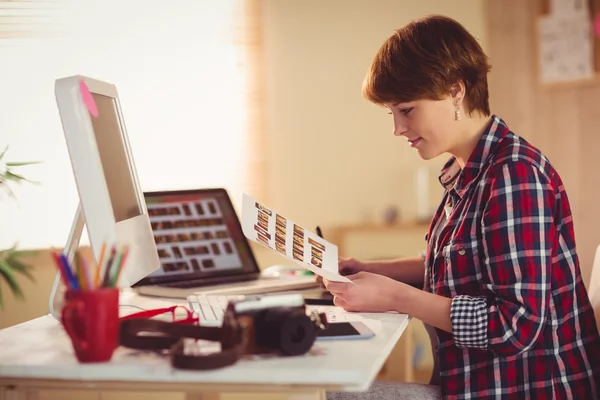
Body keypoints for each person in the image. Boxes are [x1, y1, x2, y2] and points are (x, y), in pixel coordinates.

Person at [322, 15, 600, 400]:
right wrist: (370, 270)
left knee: (341, 393)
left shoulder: (514, 175)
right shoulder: (468, 171)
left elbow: (515, 325)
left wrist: (396, 297)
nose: (398, 129)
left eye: (406, 110)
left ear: (455, 90)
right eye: (392, 114)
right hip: (476, 380)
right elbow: (458, 265)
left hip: (527, 387)